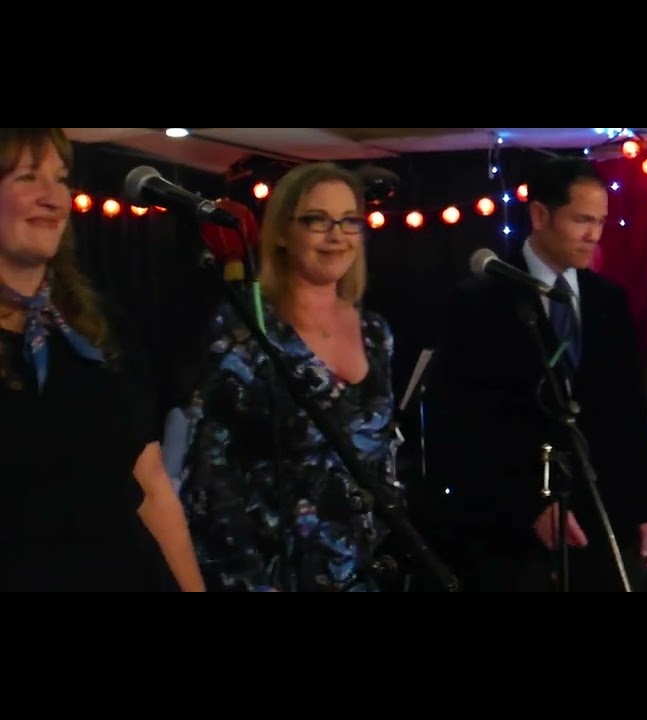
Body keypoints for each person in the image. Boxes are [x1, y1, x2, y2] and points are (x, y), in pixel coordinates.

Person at [422, 157, 647, 592]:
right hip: (513, 532)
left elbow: (629, 409)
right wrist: (525, 505)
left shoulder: (608, 299)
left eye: (601, 221)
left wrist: (645, 504)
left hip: (602, 516)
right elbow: (460, 421)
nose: (594, 234)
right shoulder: (479, 300)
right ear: (539, 215)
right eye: (582, 220)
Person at [179, 162, 404, 592]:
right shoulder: (245, 327)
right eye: (318, 220)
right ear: (282, 232)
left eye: (349, 220)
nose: (337, 235)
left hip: (361, 573)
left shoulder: (376, 332)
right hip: (268, 575)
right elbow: (210, 480)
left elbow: (382, 461)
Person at [0, 128, 204, 592]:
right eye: (28, 177)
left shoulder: (98, 328)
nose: (53, 198)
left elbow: (151, 486)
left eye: (61, 179)